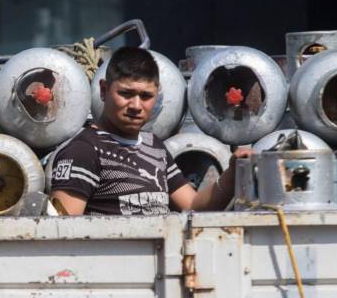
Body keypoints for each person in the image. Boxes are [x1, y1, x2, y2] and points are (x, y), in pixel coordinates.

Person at [50, 46, 252, 216]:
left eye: (146, 96)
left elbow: (193, 206)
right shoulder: (83, 151)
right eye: (126, 93)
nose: (136, 106)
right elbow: (65, 235)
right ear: (104, 90)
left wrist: (233, 173)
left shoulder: (154, 146)